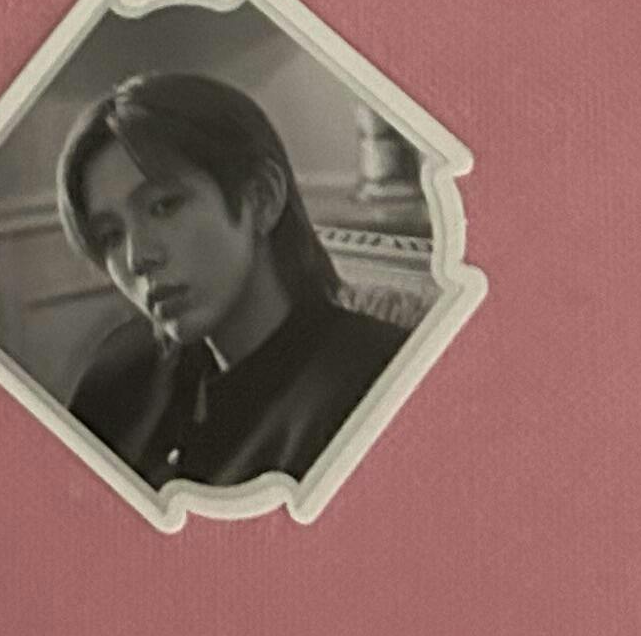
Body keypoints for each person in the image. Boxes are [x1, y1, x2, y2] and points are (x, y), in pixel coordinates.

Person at [57, 75, 407, 496]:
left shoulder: (378, 387)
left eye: (164, 206)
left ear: (263, 198)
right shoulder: (121, 370)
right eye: (111, 235)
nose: (136, 258)